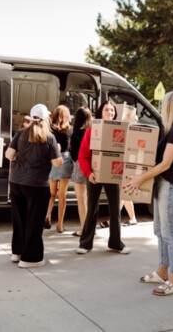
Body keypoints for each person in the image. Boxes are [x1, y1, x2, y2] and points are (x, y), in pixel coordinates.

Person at [124, 90, 173, 296]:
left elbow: (166, 164)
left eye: (164, 104)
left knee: (170, 234)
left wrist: (140, 178)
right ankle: (162, 272)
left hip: (172, 186)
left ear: (170, 106)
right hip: (164, 185)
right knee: (159, 231)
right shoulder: (172, 130)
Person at [5, 104, 62, 268]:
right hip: (37, 184)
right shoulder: (49, 137)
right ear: (46, 118)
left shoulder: (21, 133)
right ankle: (31, 258)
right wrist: (57, 150)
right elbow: (57, 163)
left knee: (19, 219)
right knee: (34, 222)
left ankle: (17, 252)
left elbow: (9, 155)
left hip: (16, 181)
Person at [76, 100, 130, 255]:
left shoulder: (120, 132)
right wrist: (88, 173)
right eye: (107, 110)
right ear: (101, 113)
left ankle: (116, 243)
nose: (110, 113)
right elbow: (82, 155)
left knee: (115, 209)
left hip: (113, 173)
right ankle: (85, 243)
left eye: (112, 111)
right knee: (92, 208)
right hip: (94, 174)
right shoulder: (92, 131)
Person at [45, 105, 73, 233]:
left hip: (53, 160)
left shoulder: (50, 130)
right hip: (66, 161)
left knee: (52, 194)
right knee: (62, 195)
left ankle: (47, 215)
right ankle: (60, 225)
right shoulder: (70, 130)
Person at [69, 107, 92, 237]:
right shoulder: (92, 131)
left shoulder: (77, 133)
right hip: (92, 167)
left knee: (81, 200)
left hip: (79, 166)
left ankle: (84, 229)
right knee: (90, 200)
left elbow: (72, 153)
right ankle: (90, 228)